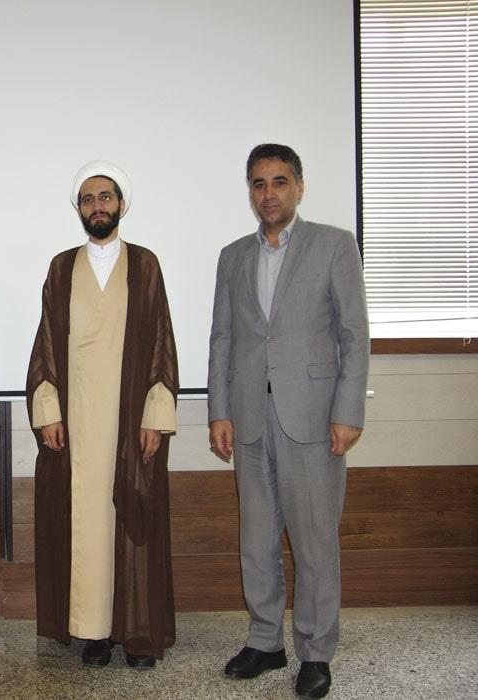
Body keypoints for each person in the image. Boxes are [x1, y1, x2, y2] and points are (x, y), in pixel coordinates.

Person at [208, 144, 369, 699]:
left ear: (299, 186)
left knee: (314, 543)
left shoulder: (334, 245)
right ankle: (265, 641)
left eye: (279, 181)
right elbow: (223, 338)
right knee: (257, 541)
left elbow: (354, 334)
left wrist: (348, 411)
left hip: (315, 419)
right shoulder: (232, 256)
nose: (269, 193)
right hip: (250, 418)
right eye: (258, 183)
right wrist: (219, 410)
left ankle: (316, 652)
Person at [26, 161, 179, 668]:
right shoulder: (61, 267)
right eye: (88, 199)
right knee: (86, 525)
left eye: (106, 197)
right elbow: (46, 344)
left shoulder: (145, 264)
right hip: (77, 422)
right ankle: (93, 632)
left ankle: (135, 632)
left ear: (121, 205)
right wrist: (48, 410)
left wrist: (155, 414)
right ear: (79, 209)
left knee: (132, 522)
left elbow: (160, 341)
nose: (98, 206)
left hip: (130, 421)